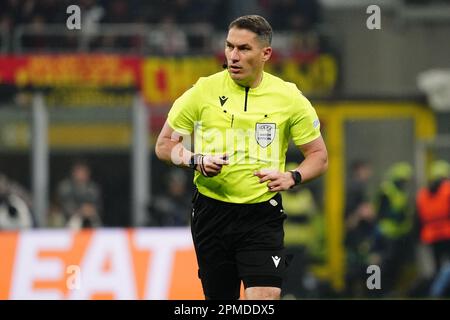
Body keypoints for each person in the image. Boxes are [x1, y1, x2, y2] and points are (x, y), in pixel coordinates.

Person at [155, 15, 328, 300]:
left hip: (262, 213)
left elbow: (318, 155)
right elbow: (164, 145)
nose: (233, 56)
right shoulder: (203, 90)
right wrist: (195, 160)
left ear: (266, 54)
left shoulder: (289, 97)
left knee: (265, 296)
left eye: (244, 49)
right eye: (229, 46)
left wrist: (292, 176)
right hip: (212, 212)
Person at [416, 160, 450, 297]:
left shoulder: (423, 194)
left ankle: (438, 292)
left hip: (430, 235)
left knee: (437, 266)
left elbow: (418, 218)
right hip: (447, 233)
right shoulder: (448, 190)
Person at [56, 160, 102, 229]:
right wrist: (80, 210)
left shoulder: (92, 188)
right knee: (74, 221)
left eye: (84, 172)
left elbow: (98, 205)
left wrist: (90, 209)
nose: (81, 174)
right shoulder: (66, 186)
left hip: (89, 216)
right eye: (79, 172)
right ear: (73, 173)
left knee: (95, 220)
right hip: (70, 218)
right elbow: (65, 205)